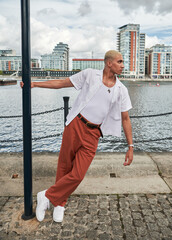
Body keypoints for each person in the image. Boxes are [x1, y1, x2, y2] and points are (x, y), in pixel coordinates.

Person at [20, 50, 134, 222]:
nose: (123, 65)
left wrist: (131, 146)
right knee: (65, 165)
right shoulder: (90, 74)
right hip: (76, 125)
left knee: (78, 174)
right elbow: (62, 83)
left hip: (94, 133)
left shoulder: (121, 90)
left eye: (123, 62)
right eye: (120, 61)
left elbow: (125, 118)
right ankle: (60, 203)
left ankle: (47, 195)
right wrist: (36, 85)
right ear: (109, 63)